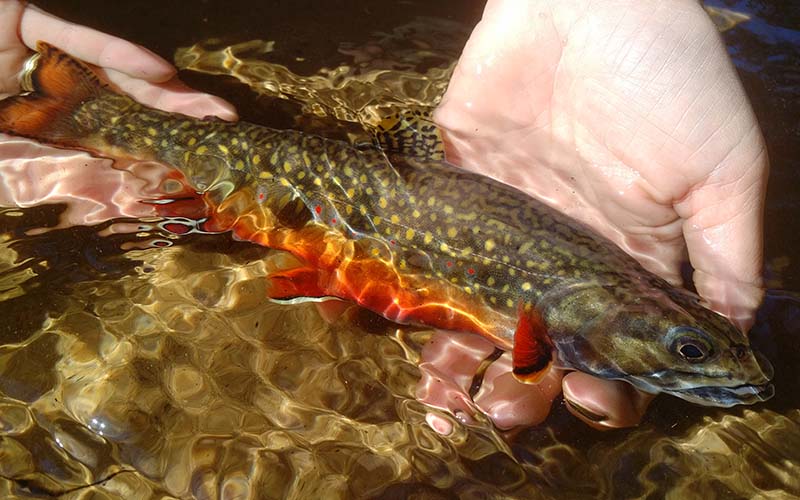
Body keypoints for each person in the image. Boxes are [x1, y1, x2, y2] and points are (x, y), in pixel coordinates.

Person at [0, 0, 768, 431]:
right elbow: (530, 358)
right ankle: (82, 114)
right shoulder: (549, 330)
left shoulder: (591, 296)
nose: (694, 360)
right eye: (687, 348)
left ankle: (79, 112)